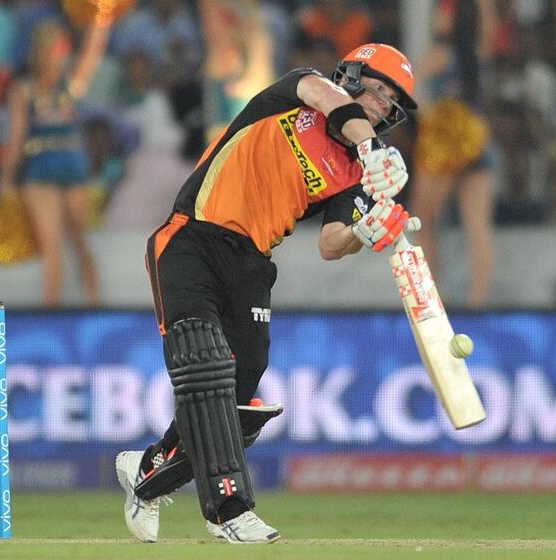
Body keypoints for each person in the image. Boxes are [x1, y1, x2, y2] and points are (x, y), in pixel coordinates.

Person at [115, 43, 419, 544]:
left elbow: (330, 244)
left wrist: (366, 230)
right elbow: (327, 97)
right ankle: (230, 511)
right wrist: (373, 149)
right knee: (204, 366)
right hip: (192, 237)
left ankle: (146, 475)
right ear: (354, 74)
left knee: (237, 405)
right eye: (377, 87)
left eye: (391, 100)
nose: (381, 103)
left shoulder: (352, 175)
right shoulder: (302, 95)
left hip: (252, 266)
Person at [0, 14, 112, 307]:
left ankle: (89, 307)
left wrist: (103, 16)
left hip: (66, 166)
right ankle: (59, 311)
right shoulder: (26, 90)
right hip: (44, 168)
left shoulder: (65, 87)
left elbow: (92, 53)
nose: (58, 55)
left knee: (75, 244)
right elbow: (17, 138)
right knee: (57, 248)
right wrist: (7, 180)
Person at [409, 0, 497, 308]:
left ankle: (431, 300)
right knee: (477, 225)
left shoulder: (440, 55)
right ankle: (478, 301)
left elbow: (407, 86)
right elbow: (486, 14)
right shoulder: (479, 50)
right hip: (477, 142)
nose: (437, 17)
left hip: (444, 144)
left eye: (443, 12)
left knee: (423, 220)